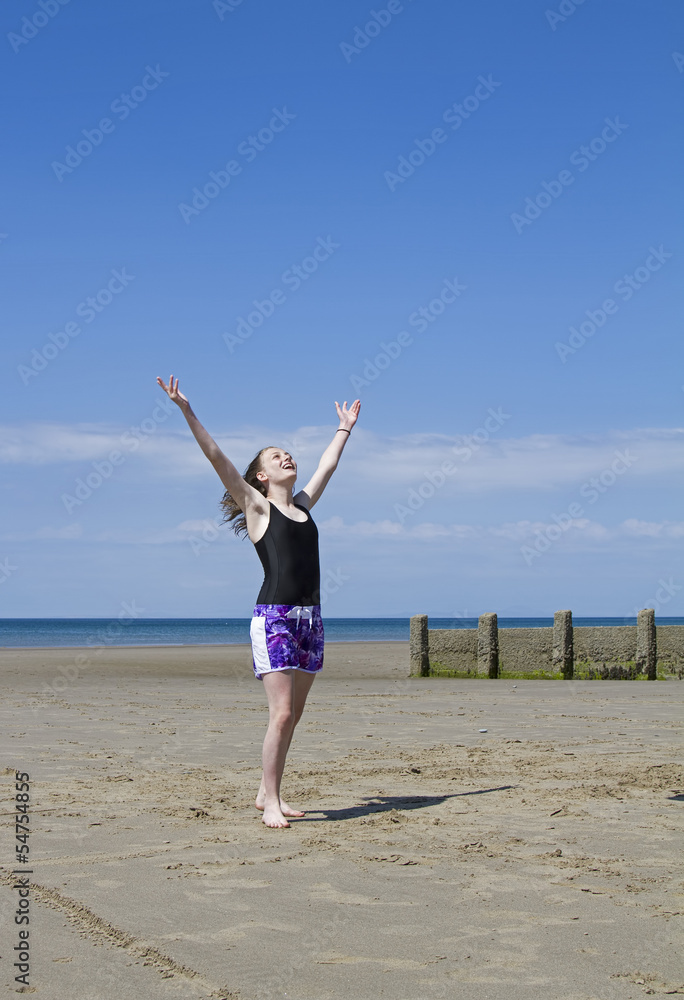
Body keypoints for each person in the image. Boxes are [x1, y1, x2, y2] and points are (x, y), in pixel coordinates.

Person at [156, 375, 360, 828]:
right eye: (275, 456)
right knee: (282, 712)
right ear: (262, 476)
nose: (286, 456)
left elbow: (326, 468)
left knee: (295, 714)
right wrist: (186, 410)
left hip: (312, 620)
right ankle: (271, 801)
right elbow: (217, 459)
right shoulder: (257, 507)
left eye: (287, 452)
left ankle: (268, 791)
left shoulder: (304, 507)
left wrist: (343, 429)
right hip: (275, 620)